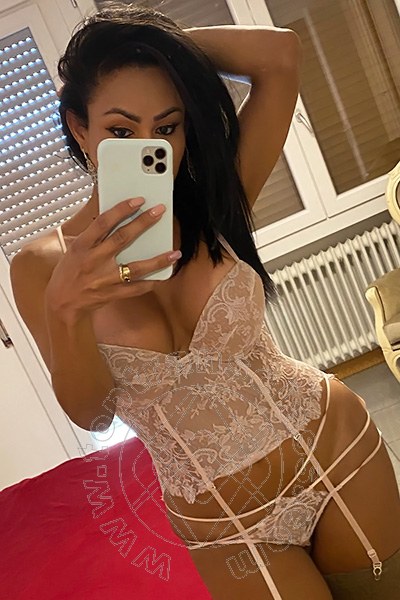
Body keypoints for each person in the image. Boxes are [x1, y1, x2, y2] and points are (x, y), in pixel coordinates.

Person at [10, 2, 400, 599]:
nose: (151, 149)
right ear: (79, 129)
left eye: (167, 127)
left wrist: (149, 47)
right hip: (225, 525)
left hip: (336, 443)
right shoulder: (42, 268)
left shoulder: (216, 198)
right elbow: (93, 415)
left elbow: (280, 55)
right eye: (121, 132)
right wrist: (67, 311)